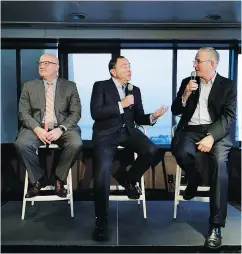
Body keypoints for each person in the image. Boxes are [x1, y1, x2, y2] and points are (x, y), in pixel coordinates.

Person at [90, 55, 168, 241]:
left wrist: (152, 117)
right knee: (102, 175)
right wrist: (120, 105)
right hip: (105, 134)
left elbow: (139, 117)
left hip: (129, 132)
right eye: (124, 66)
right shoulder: (100, 86)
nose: (129, 69)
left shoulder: (135, 90)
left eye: (130, 66)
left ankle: (130, 179)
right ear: (113, 71)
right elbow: (96, 113)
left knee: (151, 150)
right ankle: (101, 222)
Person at [171, 47, 237, 249]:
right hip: (190, 129)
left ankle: (216, 226)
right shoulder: (188, 82)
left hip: (217, 130)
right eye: (194, 61)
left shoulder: (228, 85)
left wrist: (211, 137)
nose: (194, 64)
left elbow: (228, 117)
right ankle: (194, 177)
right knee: (180, 151)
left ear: (211, 63)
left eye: (198, 61)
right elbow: (175, 110)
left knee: (219, 163)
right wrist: (185, 94)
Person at [15, 53, 83, 198]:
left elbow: (76, 113)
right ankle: (39, 180)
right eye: (40, 63)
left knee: (76, 142)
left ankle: (59, 178)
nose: (42, 65)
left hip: (62, 127)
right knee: (21, 143)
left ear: (56, 67)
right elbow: (23, 113)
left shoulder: (70, 86)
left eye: (46, 63)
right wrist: (37, 129)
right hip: (36, 127)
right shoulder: (29, 86)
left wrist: (61, 129)